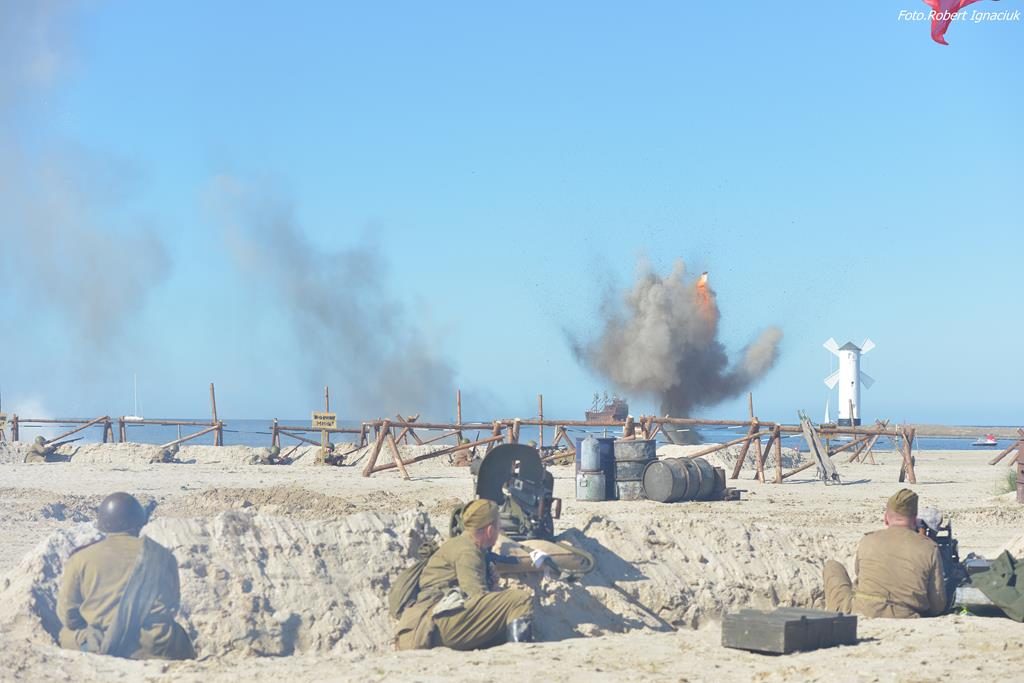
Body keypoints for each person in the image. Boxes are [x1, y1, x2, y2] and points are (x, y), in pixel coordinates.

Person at [57, 492, 196, 659]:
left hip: (100, 642)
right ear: (139, 522)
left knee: (67, 634)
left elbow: (69, 616)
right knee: (179, 635)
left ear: (103, 523)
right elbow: (172, 606)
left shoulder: (81, 558)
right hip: (155, 644)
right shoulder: (162, 556)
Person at [395, 499, 534, 650]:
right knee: (519, 600)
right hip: (436, 624)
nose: (500, 531)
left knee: (502, 626)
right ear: (489, 530)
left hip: (435, 622)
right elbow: (476, 596)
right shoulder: (468, 551)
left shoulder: (458, 544)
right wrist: (495, 594)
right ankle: (519, 653)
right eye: (498, 527)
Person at [823, 488, 946, 618]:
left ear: (886, 518)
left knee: (832, 566)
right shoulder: (929, 547)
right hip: (905, 613)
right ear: (915, 520)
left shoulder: (868, 540)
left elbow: (858, 576)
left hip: (862, 610)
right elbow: (937, 605)